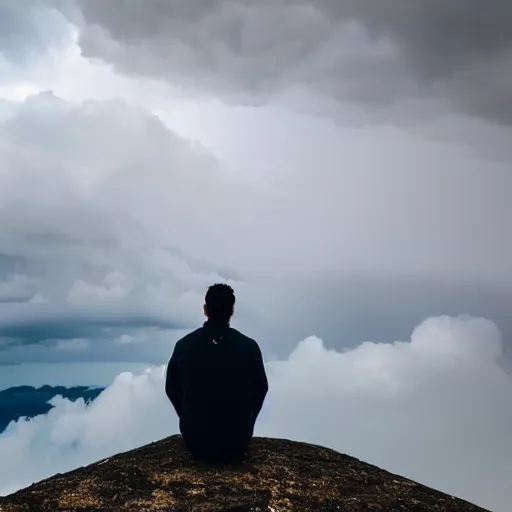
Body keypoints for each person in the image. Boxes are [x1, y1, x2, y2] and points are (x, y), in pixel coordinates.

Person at [165, 283, 268, 463]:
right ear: (232, 311)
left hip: (196, 442)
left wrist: (188, 415)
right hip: (237, 443)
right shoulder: (249, 347)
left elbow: (172, 388)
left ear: (205, 309)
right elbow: (261, 389)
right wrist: (246, 421)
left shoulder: (184, 345)